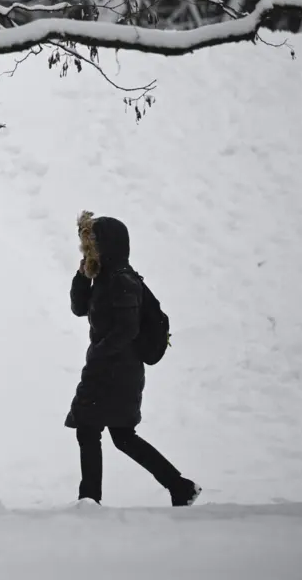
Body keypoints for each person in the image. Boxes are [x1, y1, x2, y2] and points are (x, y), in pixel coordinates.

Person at [66, 211, 201, 507]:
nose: (89, 249)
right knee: (120, 435)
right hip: (110, 367)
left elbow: (127, 329)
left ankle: (90, 499)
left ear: (108, 244)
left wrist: (99, 354)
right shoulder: (104, 276)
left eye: (92, 244)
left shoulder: (123, 280)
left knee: (91, 428)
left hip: (117, 370)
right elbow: (79, 308)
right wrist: (82, 274)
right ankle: (180, 486)